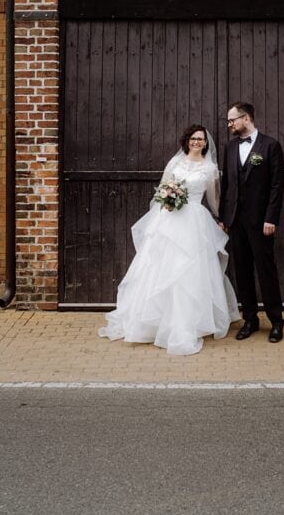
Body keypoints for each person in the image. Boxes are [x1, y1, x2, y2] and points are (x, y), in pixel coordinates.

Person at [98, 125, 240, 356]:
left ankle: (190, 321)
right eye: (193, 138)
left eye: (200, 139)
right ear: (187, 141)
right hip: (170, 219)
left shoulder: (210, 168)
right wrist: (167, 200)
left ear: (206, 143)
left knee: (190, 270)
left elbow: (214, 199)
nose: (196, 142)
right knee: (161, 268)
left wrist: (220, 219)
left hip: (195, 220)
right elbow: (162, 190)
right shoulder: (175, 163)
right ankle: (154, 321)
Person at [219, 102, 284, 342]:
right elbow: (227, 185)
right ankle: (250, 319)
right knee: (243, 271)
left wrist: (271, 218)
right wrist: (224, 217)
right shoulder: (229, 147)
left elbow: (277, 186)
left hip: (261, 222)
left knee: (266, 270)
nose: (230, 125)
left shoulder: (270, 146)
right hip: (236, 221)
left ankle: (276, 321)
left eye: (232, 120)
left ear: (246, 118)